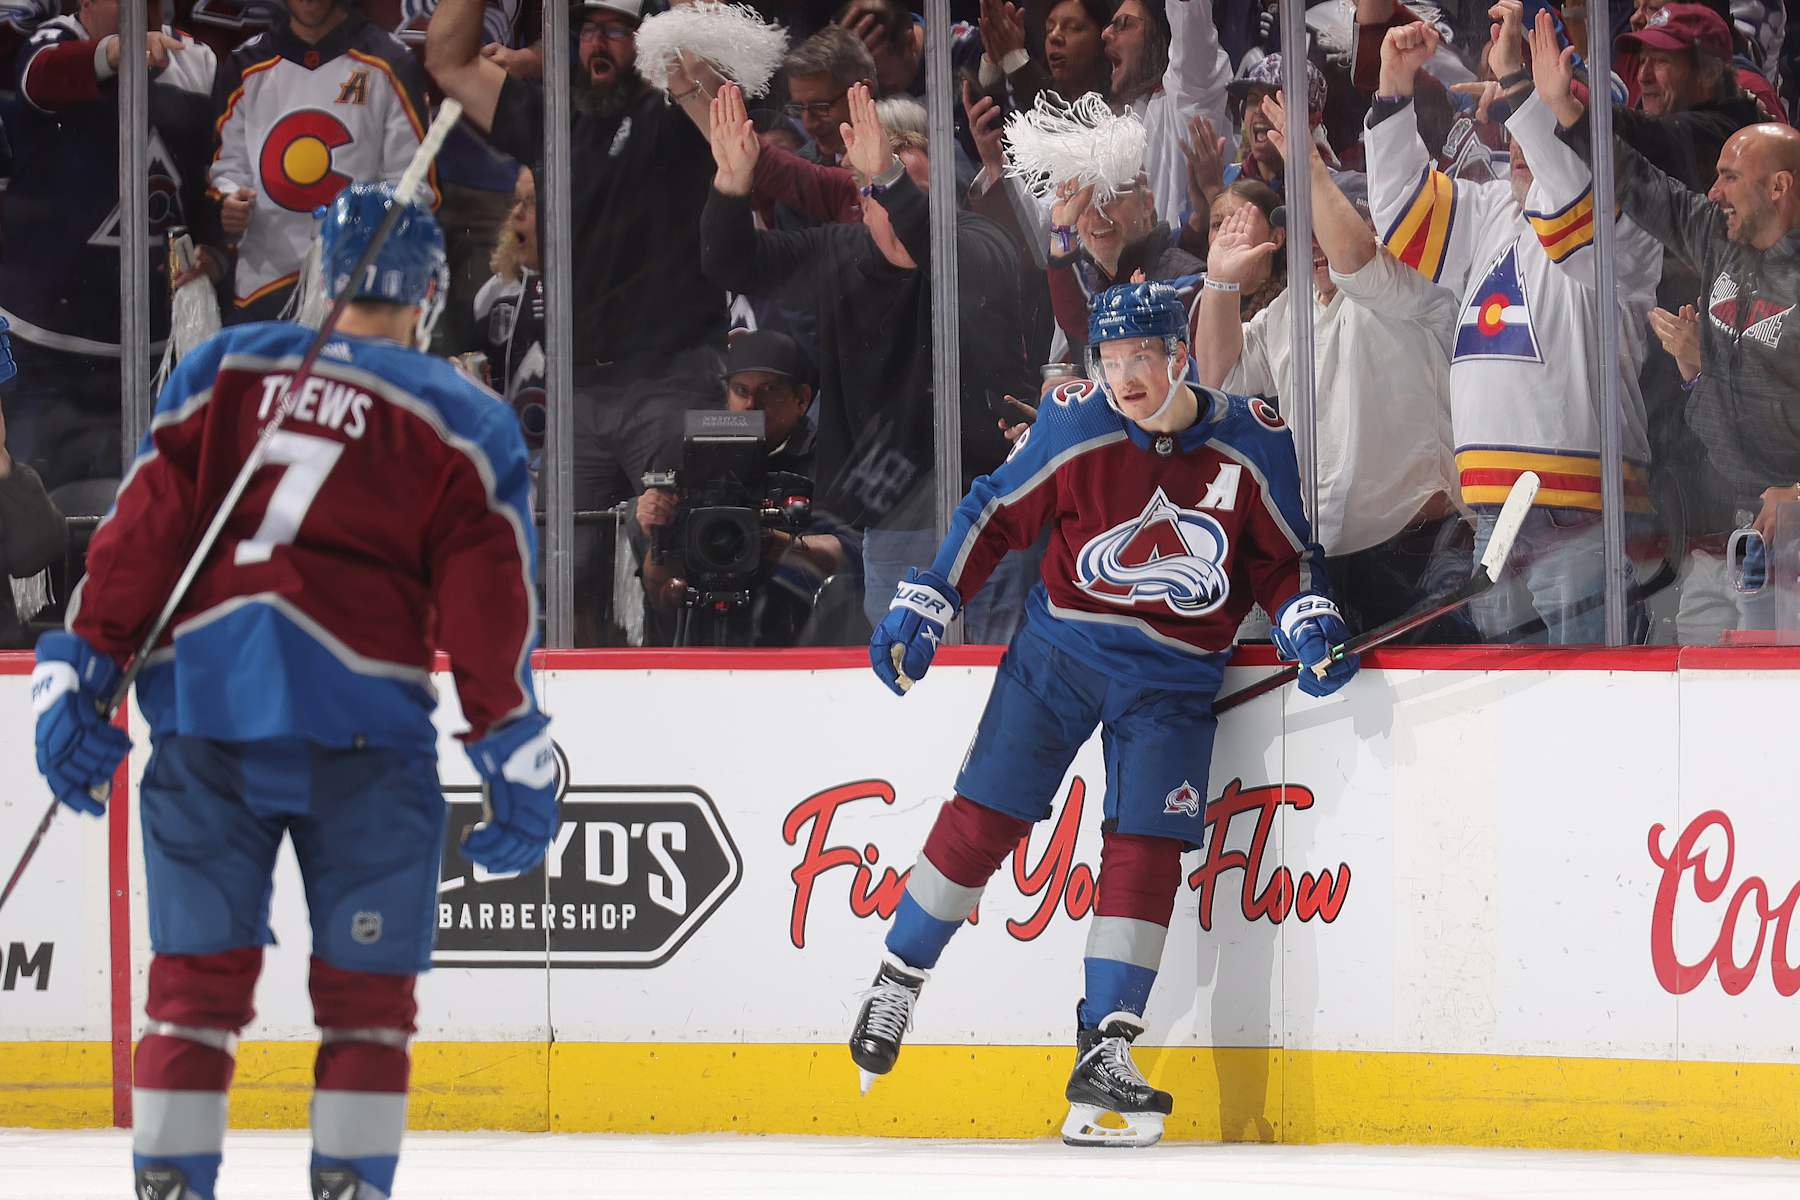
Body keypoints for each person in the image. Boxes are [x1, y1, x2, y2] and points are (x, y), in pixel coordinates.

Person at [30, 183, 556, 1200]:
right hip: (362, 738)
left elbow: (135, 545)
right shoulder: (463, 417)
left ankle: (172, 1185)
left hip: (203, 722)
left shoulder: (216, 370)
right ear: (432, 290)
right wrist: (512, 749)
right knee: (366, 1006)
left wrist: (82, 675)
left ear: (324, 276)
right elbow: (489, 611)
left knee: (189, 994)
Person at [846, 280, 1357, 1148]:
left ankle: (1104, 1058)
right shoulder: (1078, 422)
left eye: (1140, 361)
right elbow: (994, 513)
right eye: (1111, 362)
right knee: (986, 818)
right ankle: (899, 975)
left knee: (1147, 851)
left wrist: (1307, 614)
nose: (1123, 379)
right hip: (1061, 661)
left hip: (1175, 681)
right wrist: (932, 596)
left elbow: (1284, 556)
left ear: (1179, 357)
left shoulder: (1253, 443)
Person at [426, 0, 726, 644]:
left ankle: (691, 713)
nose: (598, 43)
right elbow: (446, 60)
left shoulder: (675, 114)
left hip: (673, 382)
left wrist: (671, 32)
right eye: (587, 28)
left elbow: (710, 65)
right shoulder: (551, 116)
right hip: (579, 392)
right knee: (560, 580)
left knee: (680, 566)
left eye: (615, 30)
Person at [1368, 9, 1663, 644]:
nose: (1518, 142)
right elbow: (1401, 217)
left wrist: (1516, 82)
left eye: (1539, 122)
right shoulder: (1491, 211)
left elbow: (1572, 200)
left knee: (1593, 702)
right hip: (1492, 517)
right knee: (1504, 719)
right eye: (1512, 123)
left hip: (1585, 515)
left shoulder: (1625, 224)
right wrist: (1392, 89)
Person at [701, 82, 1035, 640]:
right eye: (884, 191)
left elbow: (940, 251)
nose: (907, 207)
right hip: (892, 517)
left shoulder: (982, 243)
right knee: (905, 689)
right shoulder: (840, 253)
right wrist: (732, 185)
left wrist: (893, 183)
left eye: (916, 190)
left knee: (997, 676)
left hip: (990, 508)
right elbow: (731, 263)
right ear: (861, 201)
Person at [1542, 15, 1800, 639]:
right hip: (1729, 535)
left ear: (1780, 186)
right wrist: (1563, 107)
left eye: (1729, 177)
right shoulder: (1717, 239)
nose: (1712, 192)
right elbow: (1639, 180)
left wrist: (1797, 493)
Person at [1196, 90, 1469, 642]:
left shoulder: (1412, 287)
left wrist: (1310, 167)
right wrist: (1220, 282)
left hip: (1422, 553)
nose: (1314, 243)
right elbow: (1218, 377)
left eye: (1324, 225)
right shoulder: (1286, 313)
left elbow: (1357, 260)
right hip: (1327, 561)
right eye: (1303, 229)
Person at [0, 0, 215, 490]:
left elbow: (211, 172)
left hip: (159, 355)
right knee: (34, 524)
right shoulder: (52, 42)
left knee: (145, 521)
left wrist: (223, 215)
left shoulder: (198, 62)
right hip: (46, 355)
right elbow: (40, 76)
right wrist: (119, 52)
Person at [207, 0, 437, 322]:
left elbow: (413, 186)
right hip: (262, 286)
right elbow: (227, 166)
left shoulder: (391, 63)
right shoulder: (245, 65)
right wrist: (229, 200)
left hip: (358, 289)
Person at [636, 329, 851, 645]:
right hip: (700, 632)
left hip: (801, 630)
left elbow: (855, 555)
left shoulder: (829, 458)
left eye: (768, 390)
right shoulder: (684, 459)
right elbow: (662, 597)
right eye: (741, 390)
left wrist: (780, 544)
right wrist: (658, 534)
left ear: (802, 399)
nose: (752, 404)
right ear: (727, 395)